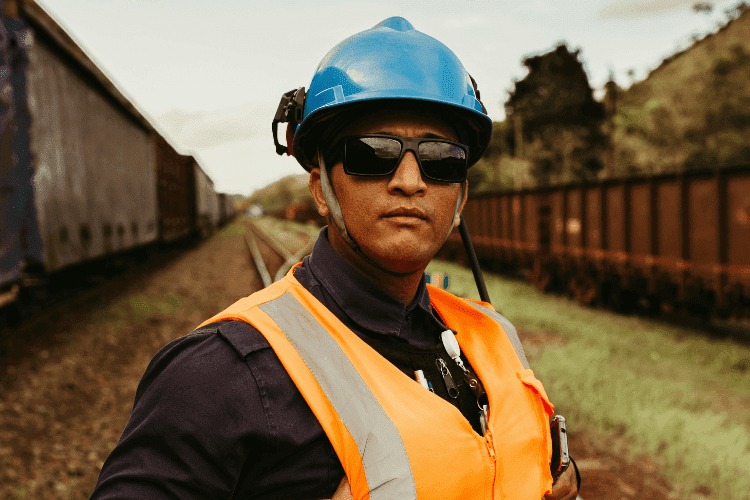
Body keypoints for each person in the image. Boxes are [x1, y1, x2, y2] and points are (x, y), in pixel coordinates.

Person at [90, 17, 580, 500]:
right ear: (321, 188)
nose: (410, 181)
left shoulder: (494, 336)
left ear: (461, 197)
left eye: (441, 159)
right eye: (372, 153)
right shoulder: (221, 374)